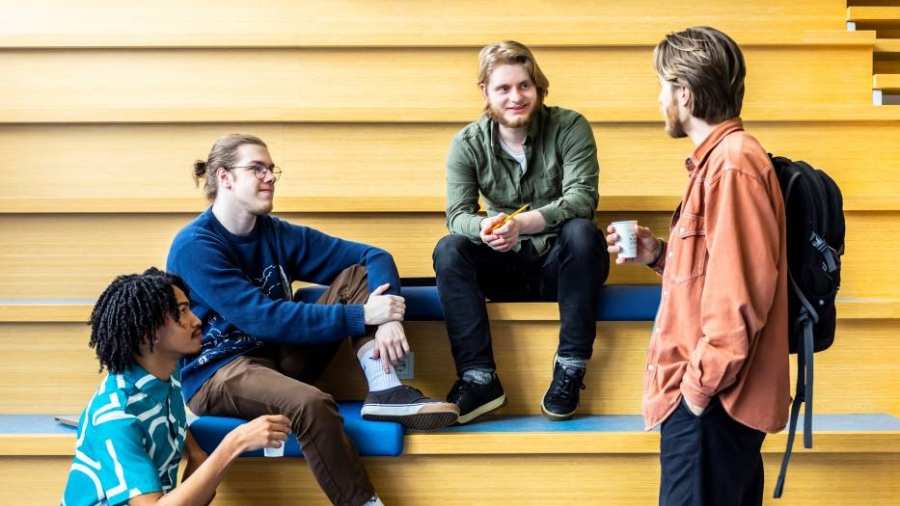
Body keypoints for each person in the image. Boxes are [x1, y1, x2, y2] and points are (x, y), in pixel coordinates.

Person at [167, 134, 458, 506]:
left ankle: (385, 389)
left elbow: (373, 257)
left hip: (277, 360)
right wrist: (362, 315)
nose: (270, 177)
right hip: (220, 373)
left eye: (272, 170)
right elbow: (262, 318)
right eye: (257, 169)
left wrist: (389, 320)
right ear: (224, 177)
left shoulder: (274, 232)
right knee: (311, 403)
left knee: (357, 276)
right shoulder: (195, 245)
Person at [606, 27, 790, 506]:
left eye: (663, 86)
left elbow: (739, 298)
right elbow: (719, 273)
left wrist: (696, 391)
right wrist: (658, 255)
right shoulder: (720, 163)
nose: (661, 98)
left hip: (713, 406)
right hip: (712, 404)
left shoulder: (733, 164)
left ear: (684, 93)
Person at [433, 40, 610, 424]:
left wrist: (523, 223)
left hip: (561, 270)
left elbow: (582, 198)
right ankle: (479, 379)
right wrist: (485, 228)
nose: (516, 97)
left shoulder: (570, 126)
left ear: (537, 86)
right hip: (502, 268)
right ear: (486, 92)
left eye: (524, 86)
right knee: (450, 249)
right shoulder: (467, 143)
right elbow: (457, 216)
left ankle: (570, 367)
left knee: (583, 232)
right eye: (504, 88)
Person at [61, 268, 291, 505]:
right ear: (147, 332)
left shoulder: (167, 375)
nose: (196, 320)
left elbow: (167, 418)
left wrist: (195, 452)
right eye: (182, 312)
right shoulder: (117, 418)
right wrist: (236, 442)